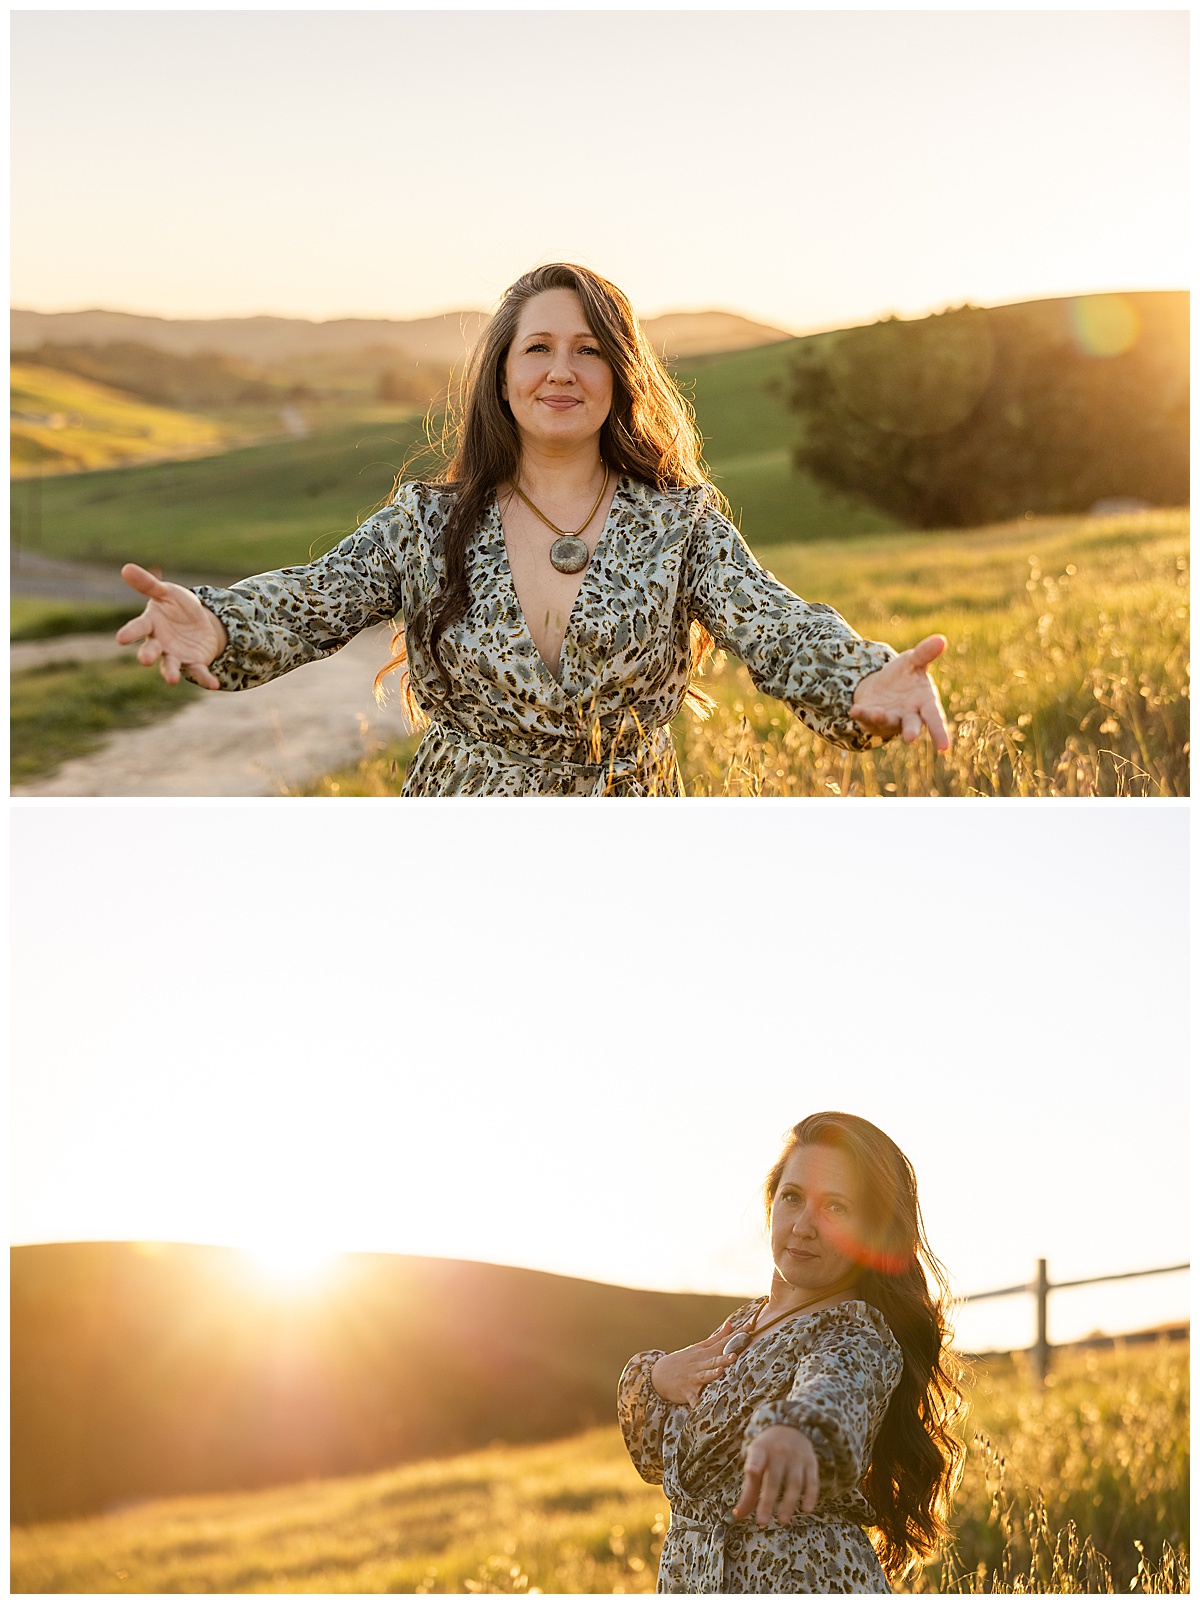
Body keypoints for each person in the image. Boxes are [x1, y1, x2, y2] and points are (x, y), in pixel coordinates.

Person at [115, 263, 951, 797]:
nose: (561, 369)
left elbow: (778, 625)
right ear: (502, 379)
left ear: (620, 380)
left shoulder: (681, 525)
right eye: (538, 348)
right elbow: (308, 601)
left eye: (588, 351)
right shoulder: (427, 525)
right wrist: (218, 623)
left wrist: (859, 681)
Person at [617, 1113, 965, 1593]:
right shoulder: (744, 1323)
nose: (804, 1226)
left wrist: (795, 1429)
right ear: (772, 1202)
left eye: (836, 1208)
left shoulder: (854, 1332)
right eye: (793, 1197)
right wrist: (658, 1376)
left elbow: (837, 1388)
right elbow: (658, 1461)